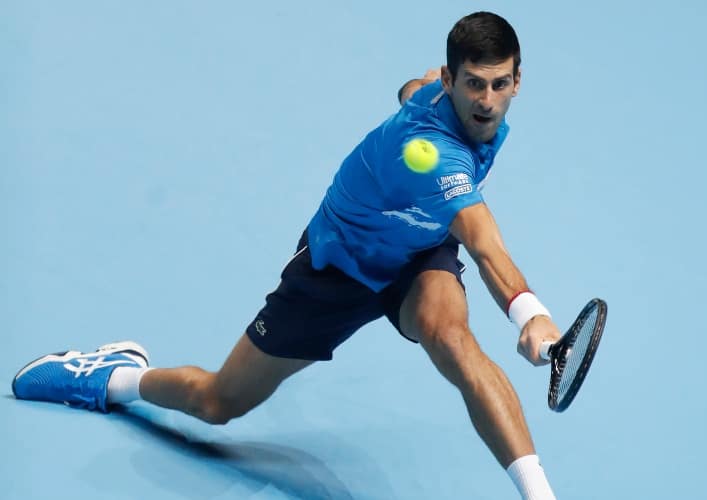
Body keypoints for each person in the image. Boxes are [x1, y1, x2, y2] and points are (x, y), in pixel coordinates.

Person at [13, 11, 562, 500]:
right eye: (473, 85)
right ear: (452, 80)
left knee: (453, 339)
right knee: (218, 402)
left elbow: (411, 86)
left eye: (499, 83)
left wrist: (408, 94)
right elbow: (484, 244)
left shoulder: (442, 96)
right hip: (339, 265)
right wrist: (529, 312)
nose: (487, 100)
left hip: (416, 252)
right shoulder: (440, 157)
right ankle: (113, 377)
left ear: (518, 82)